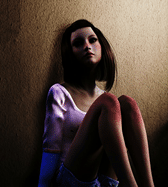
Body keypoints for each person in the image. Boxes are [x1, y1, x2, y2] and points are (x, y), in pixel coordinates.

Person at [38, 19, 155, 187]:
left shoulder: (109, 103)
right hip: (70, 180)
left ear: (102, 47)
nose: (87, 46)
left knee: (127, 104)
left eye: (92, 40)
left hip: (103, 180)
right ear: (70, 53)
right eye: (78, 43)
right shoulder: (59, 93)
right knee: (108, 103)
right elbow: (50, 149)